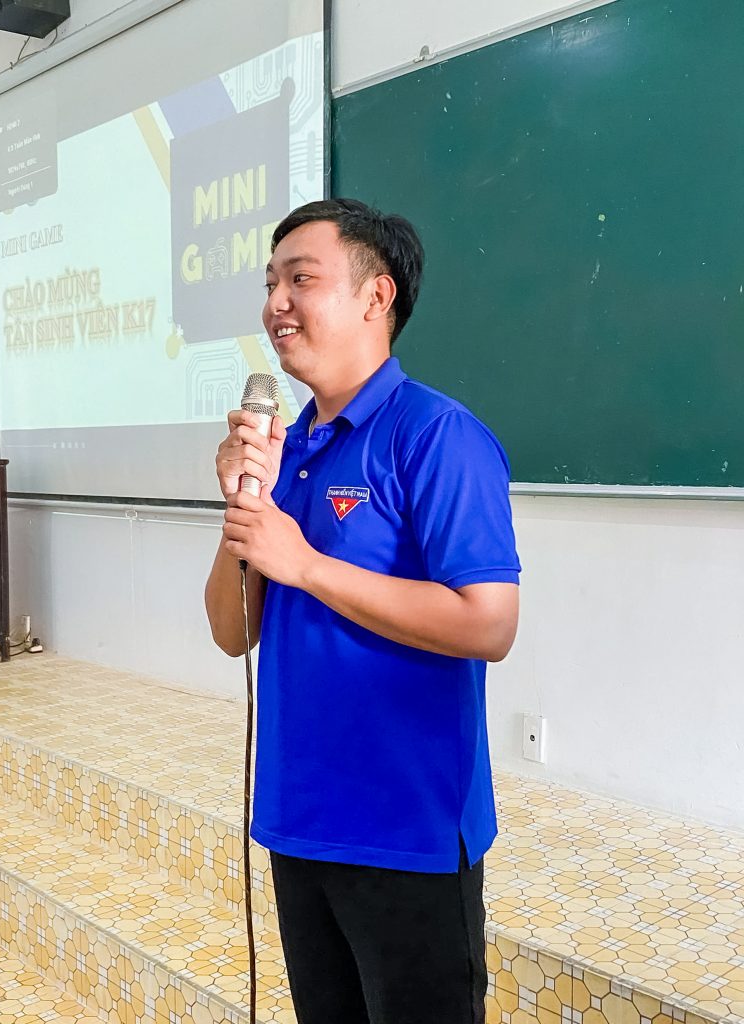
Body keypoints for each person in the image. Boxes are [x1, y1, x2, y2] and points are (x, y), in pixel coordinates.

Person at [205, 198, 521, 1024]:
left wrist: (307, 567)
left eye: (300, 279)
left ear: (376, 295)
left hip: (407, 833)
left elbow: (489, 622)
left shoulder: (438, 436)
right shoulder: (289, 449)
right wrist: (245, 504)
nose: (276, 303)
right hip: (298, 817)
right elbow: (233, 630)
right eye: (269, 284)